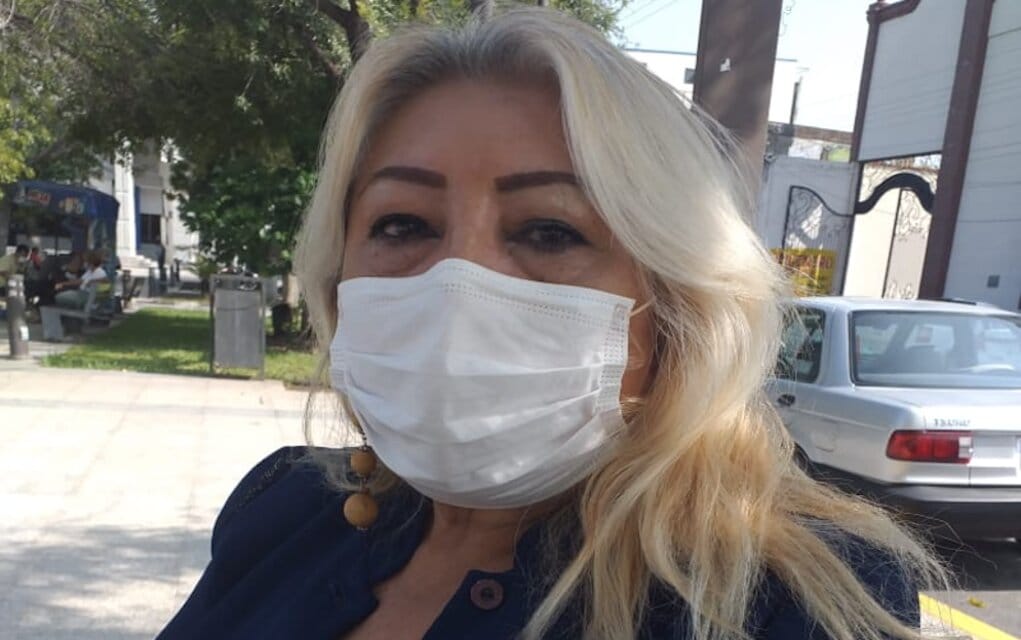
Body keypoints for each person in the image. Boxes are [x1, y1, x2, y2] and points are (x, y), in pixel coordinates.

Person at [158, 8, 943, 640]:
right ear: (338, 278)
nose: (459, 287)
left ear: (676, 305)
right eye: (402, 224)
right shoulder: (284, 505)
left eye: (548, 231)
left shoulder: (788, 601)